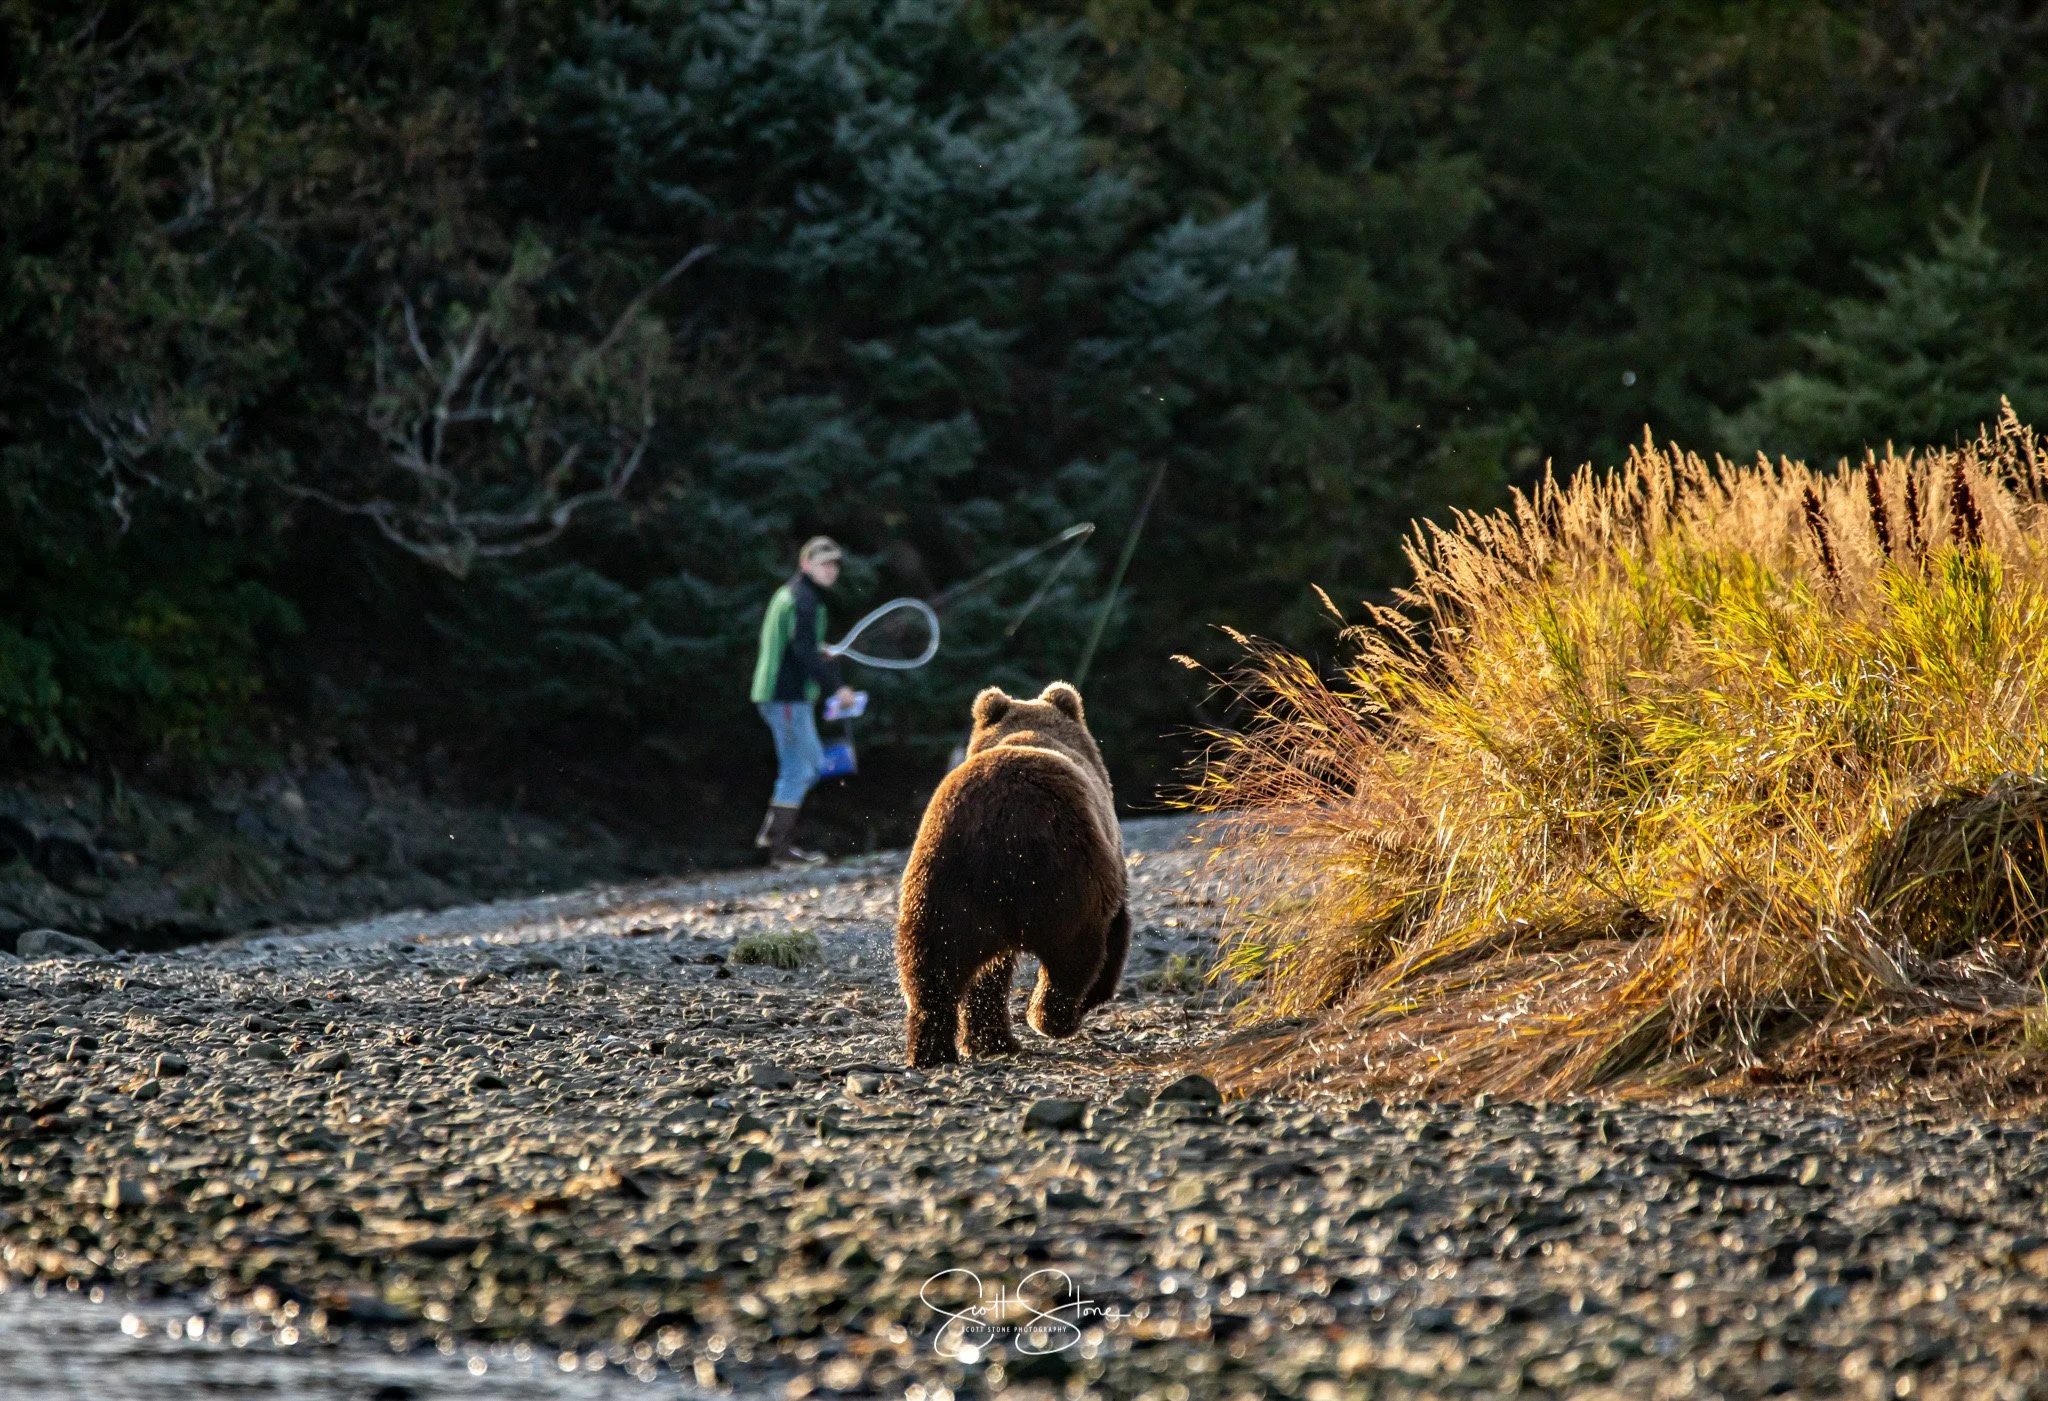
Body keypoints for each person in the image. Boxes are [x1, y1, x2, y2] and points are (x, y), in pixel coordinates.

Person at [750, 536, 860, 865]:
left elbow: (799, 643)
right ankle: (780, 849)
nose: (830, 570)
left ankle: (774, 833)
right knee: (799, 768)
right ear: (805, 564)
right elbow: (801, 653)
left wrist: (818, 648)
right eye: (823, 563)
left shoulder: (795, 595)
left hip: (787, 695)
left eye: (834, 564)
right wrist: (836, 689)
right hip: (784, 695)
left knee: (809, 764)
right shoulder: (803, 600)